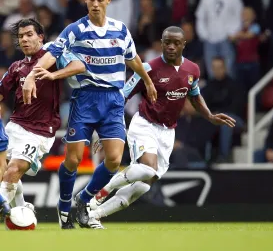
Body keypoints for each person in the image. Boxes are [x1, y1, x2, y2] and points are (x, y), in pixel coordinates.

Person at [22, 0, 157, 229]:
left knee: (115, 160)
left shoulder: (121, 30)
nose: (95, 4)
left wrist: (147, 81)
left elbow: (133, 59)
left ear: (108, 0)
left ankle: (83, 199)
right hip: (85, 99)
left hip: (114, 100)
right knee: (72, 160)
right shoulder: (75, 30)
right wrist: (32, 74)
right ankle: (64, 205)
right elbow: (51, 54)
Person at [88, 26, 235, 226]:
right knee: (148, 168)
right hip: (145, 124)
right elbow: (121, 96)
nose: (171, 47)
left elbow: (194, 95)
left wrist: (209, 115)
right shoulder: (148, 68)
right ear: (162, 43)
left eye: (176, 43)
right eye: (167, 43)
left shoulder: (192, 70)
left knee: (145, 185)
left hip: (167, 132)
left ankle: (96, 215)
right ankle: (100, 193)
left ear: (184, 44)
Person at [0, 19, 84, 218]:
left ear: (40, 37)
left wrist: (55, 76)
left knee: (13, 170)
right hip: (14, 126)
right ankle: (22, 210)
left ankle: (6, 207)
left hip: (40, 131)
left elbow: (79, 65)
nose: (25, 40)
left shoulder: (52, 58)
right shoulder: (16, 67)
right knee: (6, 172)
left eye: (29, 34)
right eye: (21, 36)